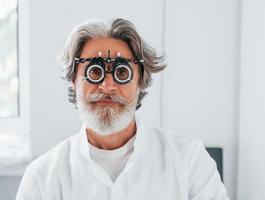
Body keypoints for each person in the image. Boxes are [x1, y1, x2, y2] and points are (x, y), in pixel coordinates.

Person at [16, 18, 229, 200]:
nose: (107, 86)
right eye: (95, 72)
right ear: (74, 79)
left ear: (140, 81)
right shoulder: (42, 177)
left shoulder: (188, 160)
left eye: (122, 73)